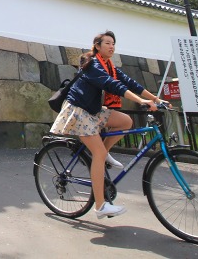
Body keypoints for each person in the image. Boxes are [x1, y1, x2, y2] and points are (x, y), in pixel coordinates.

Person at [50, 31, 165, 219]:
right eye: (107, 43)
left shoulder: (109, 65)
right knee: (99, 153)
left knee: (126, 121)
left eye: (113, 44)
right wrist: (140, 102)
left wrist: (154, 98)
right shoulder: (94, 65)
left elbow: (128, 82)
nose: (111, 46)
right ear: (97, 46)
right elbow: (113, 85)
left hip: (92, 110)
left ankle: (102, 155)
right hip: (78, 111)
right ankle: (100, 206)